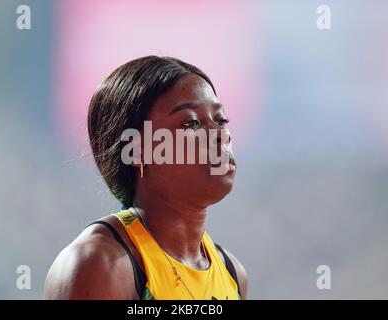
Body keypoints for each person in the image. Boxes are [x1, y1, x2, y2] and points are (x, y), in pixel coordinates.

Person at [44, 56, 248, 300]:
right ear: (137, 151)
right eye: (191, 124)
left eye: (221, 120)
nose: (220, 135)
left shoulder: (232, 274)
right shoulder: (99, 265)